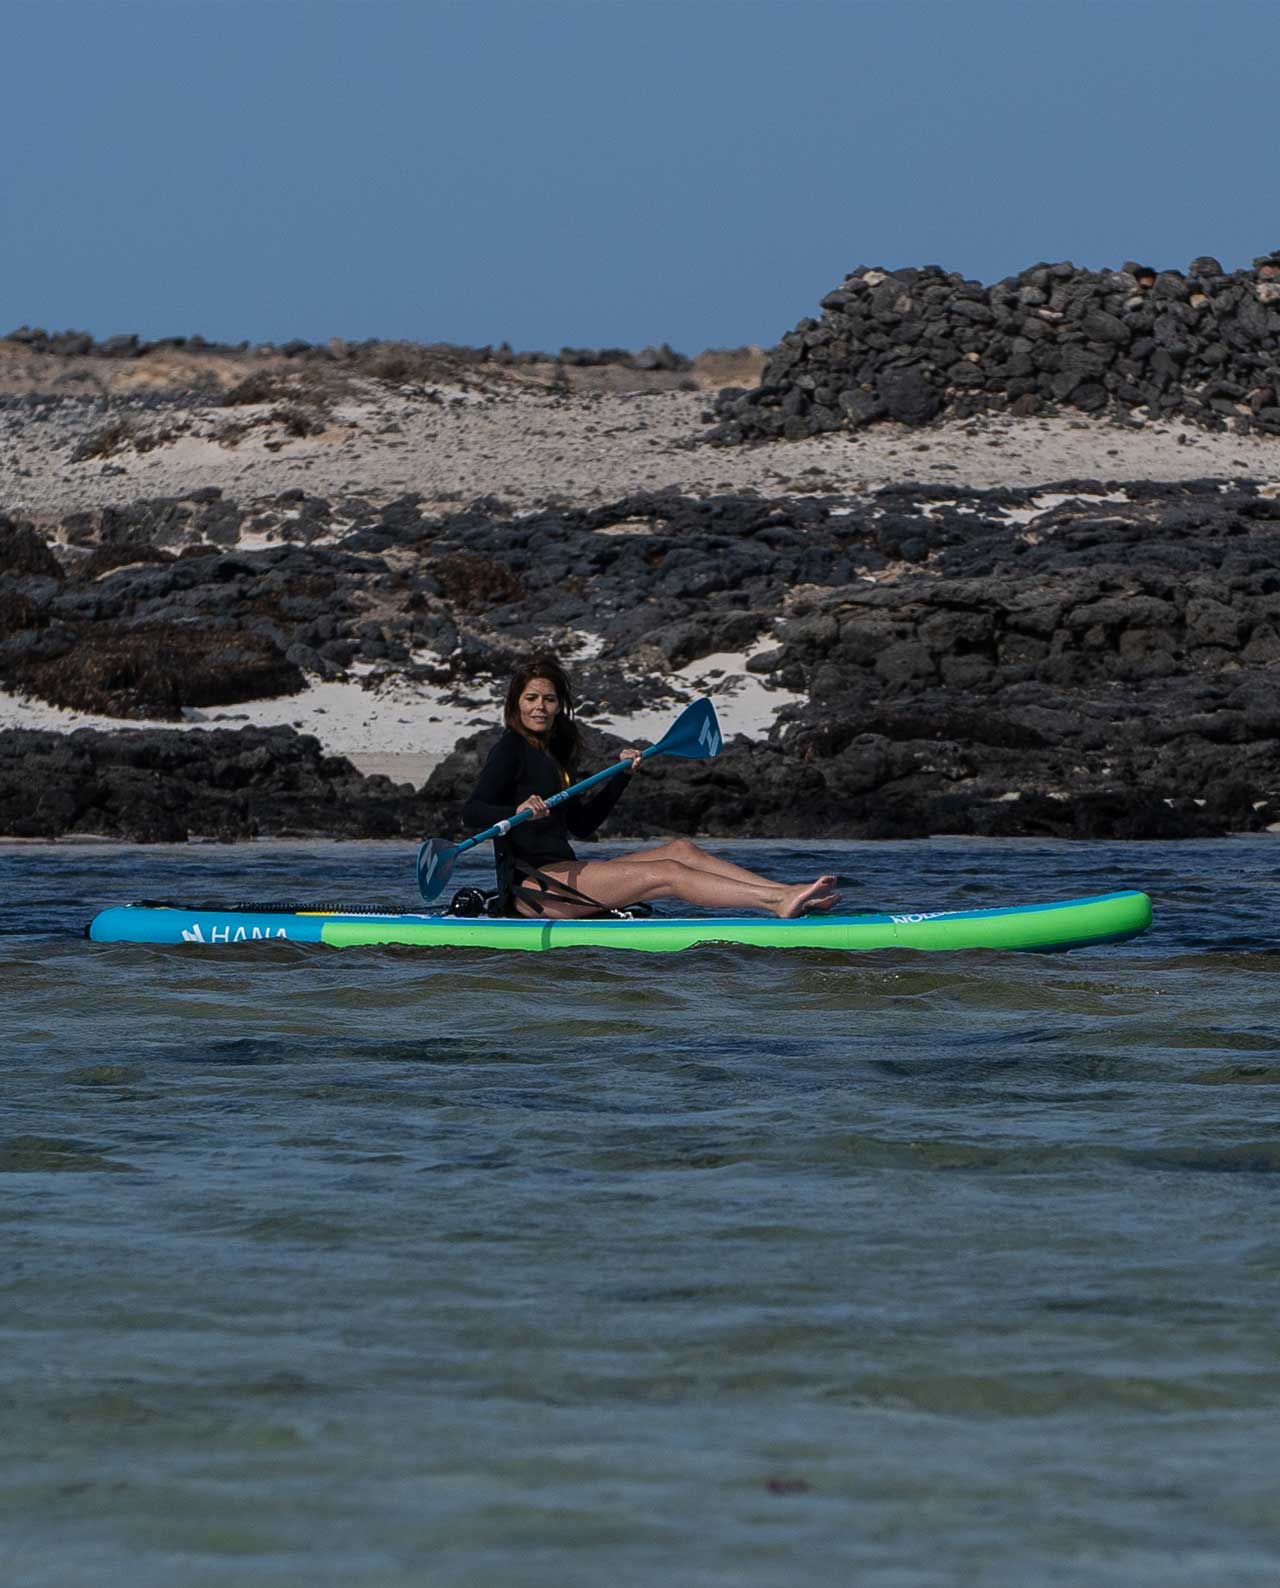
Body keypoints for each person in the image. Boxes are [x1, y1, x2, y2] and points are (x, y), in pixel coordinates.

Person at [462, 655, 840, 919]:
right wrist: (514, 813)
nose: (540, 707)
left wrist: (621, 777)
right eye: (531, 699)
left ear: (560, 704)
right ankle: (776, 902)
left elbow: (582, 826)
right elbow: (472, 811)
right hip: (535, 888)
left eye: (549, 699)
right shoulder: (510, 748)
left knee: (682, 850)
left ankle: (788, 891)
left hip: (566, 870)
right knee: (668, 873)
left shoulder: (556, 755)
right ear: (516, 703)